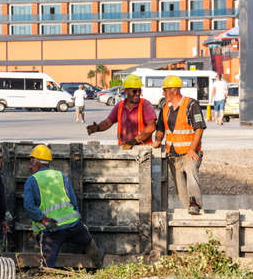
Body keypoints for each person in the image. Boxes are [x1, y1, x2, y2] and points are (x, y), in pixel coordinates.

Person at [23, 144, 104, 268]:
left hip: (51, 229)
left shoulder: (32, 180)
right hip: (73, 225)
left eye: (31, 162)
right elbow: (73, 201)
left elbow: (29, 207)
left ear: (37, 163)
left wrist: (44, 220)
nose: (29, 166)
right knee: (89, 242)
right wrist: (76, 221)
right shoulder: (61, 176)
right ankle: (99, 264)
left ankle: (47, 276)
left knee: (47, 266)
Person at [152, 76, 206, 215]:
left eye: (165, 90)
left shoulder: (191, 105)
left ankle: (195, 204)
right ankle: (189, 208)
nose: (163, 93)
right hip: (173, 155)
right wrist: (157, 141)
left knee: (192, 174)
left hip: (189, 153)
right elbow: (160, 128)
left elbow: (199, 128)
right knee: (180, 188)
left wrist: (192, 149)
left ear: (174, 90)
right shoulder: (165, 107)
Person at [86, 74, 156, 147]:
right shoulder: (120, 106)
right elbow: (108, 122)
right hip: (124, 148)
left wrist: (134, 141)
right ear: (126, 91)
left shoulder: (145, 105)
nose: (138, 94)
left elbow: (151, 127)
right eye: (134, 91)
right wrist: (97, 127)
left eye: (139, 91)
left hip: (143, 150)